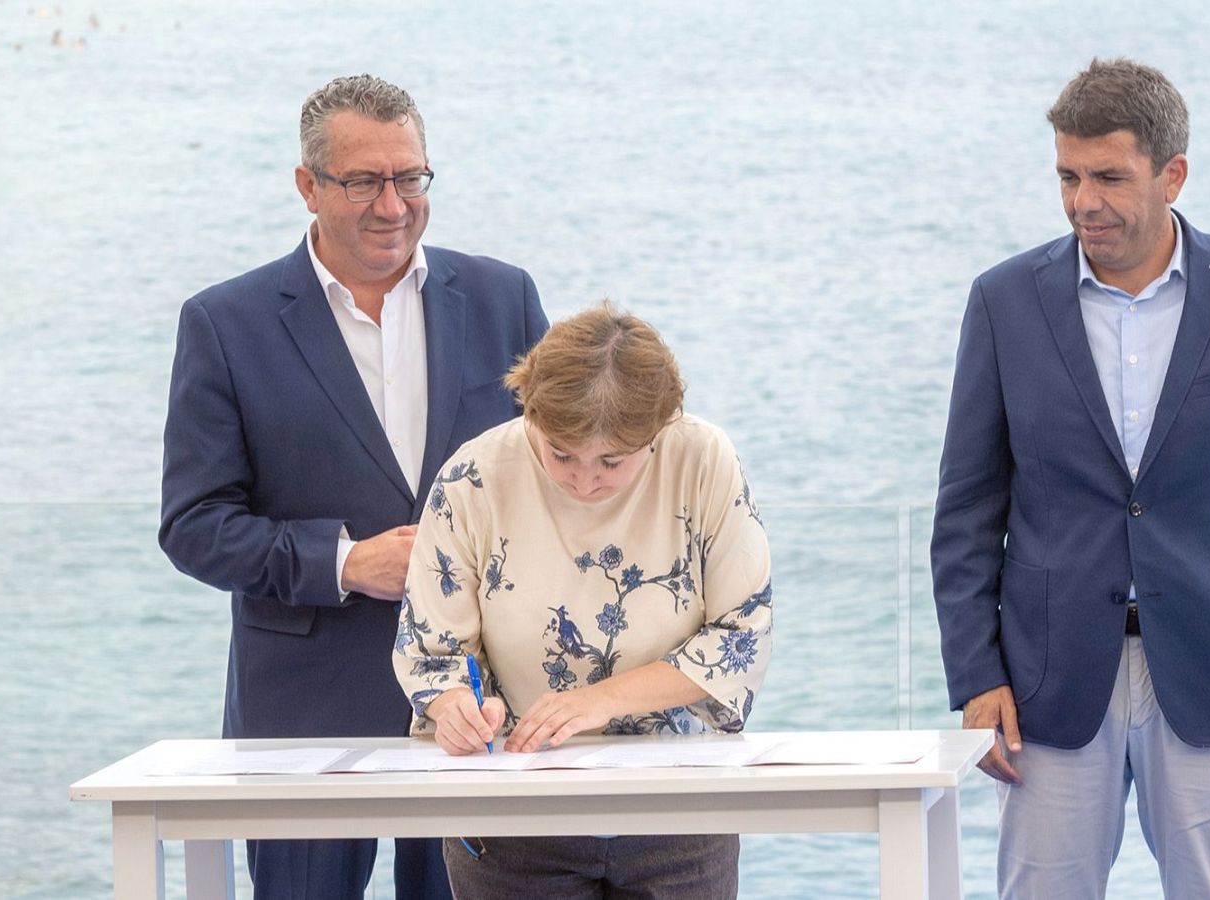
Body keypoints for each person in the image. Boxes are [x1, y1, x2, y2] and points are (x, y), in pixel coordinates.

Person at [931, 58, 1210, 898]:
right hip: (1049, 681)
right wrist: (976, 677)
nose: (1084, 201)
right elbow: (967, 511)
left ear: (1172, 174)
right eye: (1069, 177)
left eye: (1109, 177)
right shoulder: (1004, 301)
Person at [159, 74, 547, 900]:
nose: (392, 204)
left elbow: (561, 481)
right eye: (363, 180)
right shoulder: (226, 323)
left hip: (478, 708)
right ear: (307, 185)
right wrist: (343, 562)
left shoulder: (503, 297)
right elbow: (193, 524)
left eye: (410, 177)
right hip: (304, 714)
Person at [395, 302, 772, 900]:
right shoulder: (473, 477)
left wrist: (598, 702)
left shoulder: (702, 460)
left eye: (612, 462)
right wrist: (458, 709)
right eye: (561, 454)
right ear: (530, 412)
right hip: (514, 815)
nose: (586, 480)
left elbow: (739, 636)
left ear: (659, 430)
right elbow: (431, 651)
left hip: (679, 806)